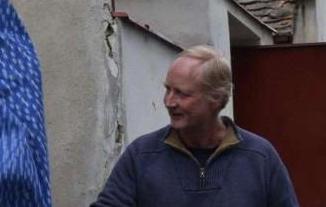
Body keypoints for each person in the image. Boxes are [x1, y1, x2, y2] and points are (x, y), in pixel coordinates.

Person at [91, 45, 298, 206]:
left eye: (182, 93)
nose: (168, 102)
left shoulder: (259, 156)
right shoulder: (142, 155)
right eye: (168, 89)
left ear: (215, 99)